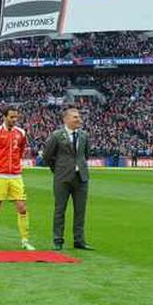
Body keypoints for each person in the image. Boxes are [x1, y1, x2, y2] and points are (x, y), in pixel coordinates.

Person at [42, 107, 94, 251]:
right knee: (60, 210)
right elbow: (47, 156)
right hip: (62, 178)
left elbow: (86, 155)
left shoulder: (84, 135)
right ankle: (58, 240)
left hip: (81, 177)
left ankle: (79, 240)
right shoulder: (57, 135)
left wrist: (79, 167)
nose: (79, 119)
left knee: (80, 211)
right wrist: (58, 170)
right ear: (66, 119)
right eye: (75, 117)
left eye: (79, 117)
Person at [0, 107, 34, 250]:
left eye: (16, 117)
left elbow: (21, 150)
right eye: (11, 117)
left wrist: (15, 165)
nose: (14, 120)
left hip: (16, 175)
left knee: (22, 207)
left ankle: (25, 241)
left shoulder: (21, 133)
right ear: (4, 117)